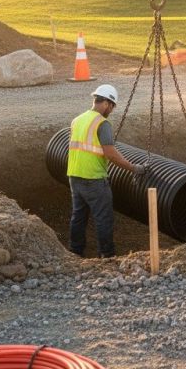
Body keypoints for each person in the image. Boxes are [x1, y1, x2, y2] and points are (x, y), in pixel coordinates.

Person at [67, 84, 145, 258]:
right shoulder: (102, 123)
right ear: (107, 103)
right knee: (103, 218)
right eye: (112, 106)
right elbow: (110, 153)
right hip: (93, 178)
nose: (111, 110)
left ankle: (75, 251)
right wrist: (134, 168)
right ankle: (107, 256)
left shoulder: (77, 120)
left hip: (74, 176)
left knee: (78, 216)